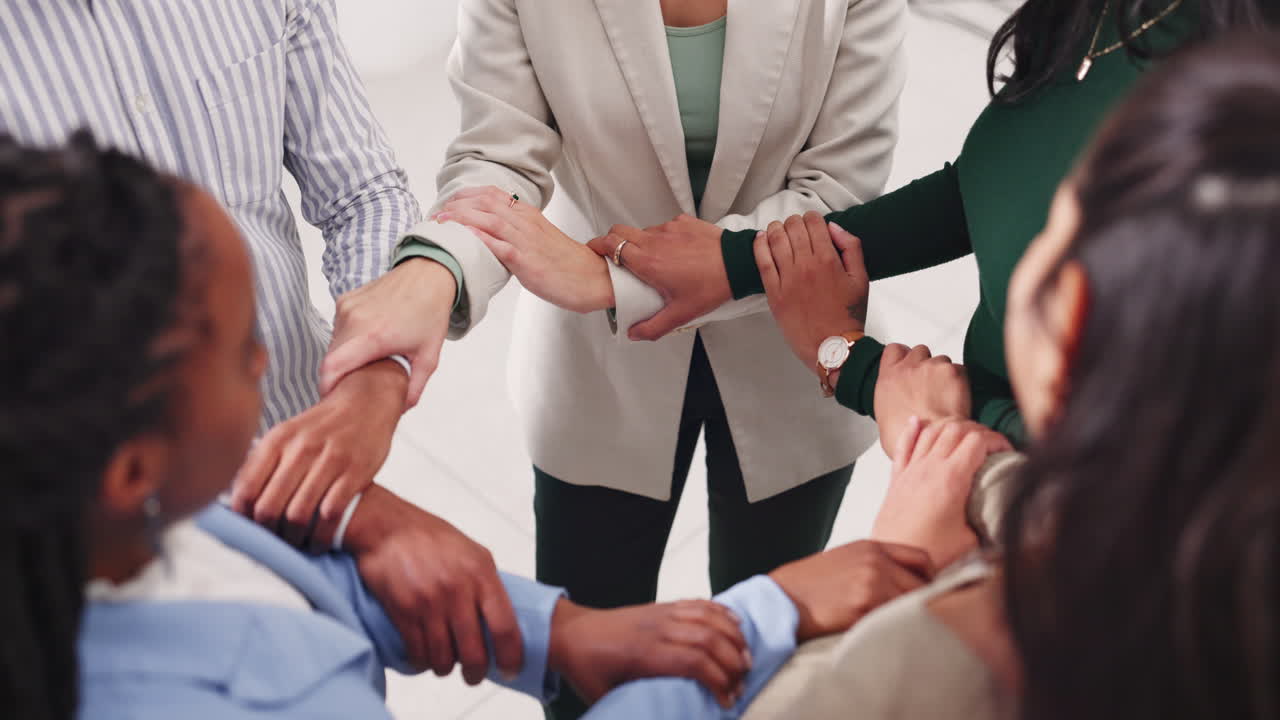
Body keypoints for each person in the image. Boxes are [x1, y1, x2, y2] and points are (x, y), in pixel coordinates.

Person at [0, 133, 938, 719]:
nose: (266, 359)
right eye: (239, 346)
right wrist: (764, 617)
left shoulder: (135, 523)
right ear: (131, 470)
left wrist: (561, 634)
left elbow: (289, 570)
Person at [319, 2, 908, 715]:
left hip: (792, 350)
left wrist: (611, 279)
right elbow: (497, 154)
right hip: (596, 358)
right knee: (586, 663)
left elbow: (838, 193)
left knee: (771, 662)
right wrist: (435, 268)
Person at [740, 33, 1280, 719]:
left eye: (1050, 226)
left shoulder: (917, 667)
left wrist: (895, 559)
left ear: (1072, 313)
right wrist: (931, 425)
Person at [0, 0, 523, 678]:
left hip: (320, 463)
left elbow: (362, 194)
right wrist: (342, 516)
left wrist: (372, 386)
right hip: (109, 563)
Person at [581, 0, 1278, 455]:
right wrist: (740, 261)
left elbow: (1120, 465)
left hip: (1029, 531)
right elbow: (989, 183)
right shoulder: (1111, 16)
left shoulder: (1239, 111)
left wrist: (852, 366)